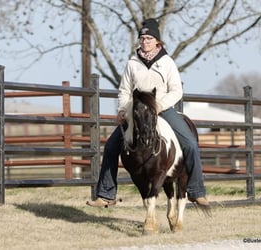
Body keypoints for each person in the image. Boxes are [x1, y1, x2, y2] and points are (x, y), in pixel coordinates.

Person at [86, 18, 209, 208]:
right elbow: (125, 90)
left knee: (191, 143)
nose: (145, 41)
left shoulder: (167, 63)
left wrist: (160, 105)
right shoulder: (132, 63)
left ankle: (196, 191)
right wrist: (122, 110)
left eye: (149, 38)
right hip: (136, 113)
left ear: (158, 42)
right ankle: (106, 194)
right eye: (142, 38)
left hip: (163, 109)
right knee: (111, 147)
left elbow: (176, 90)